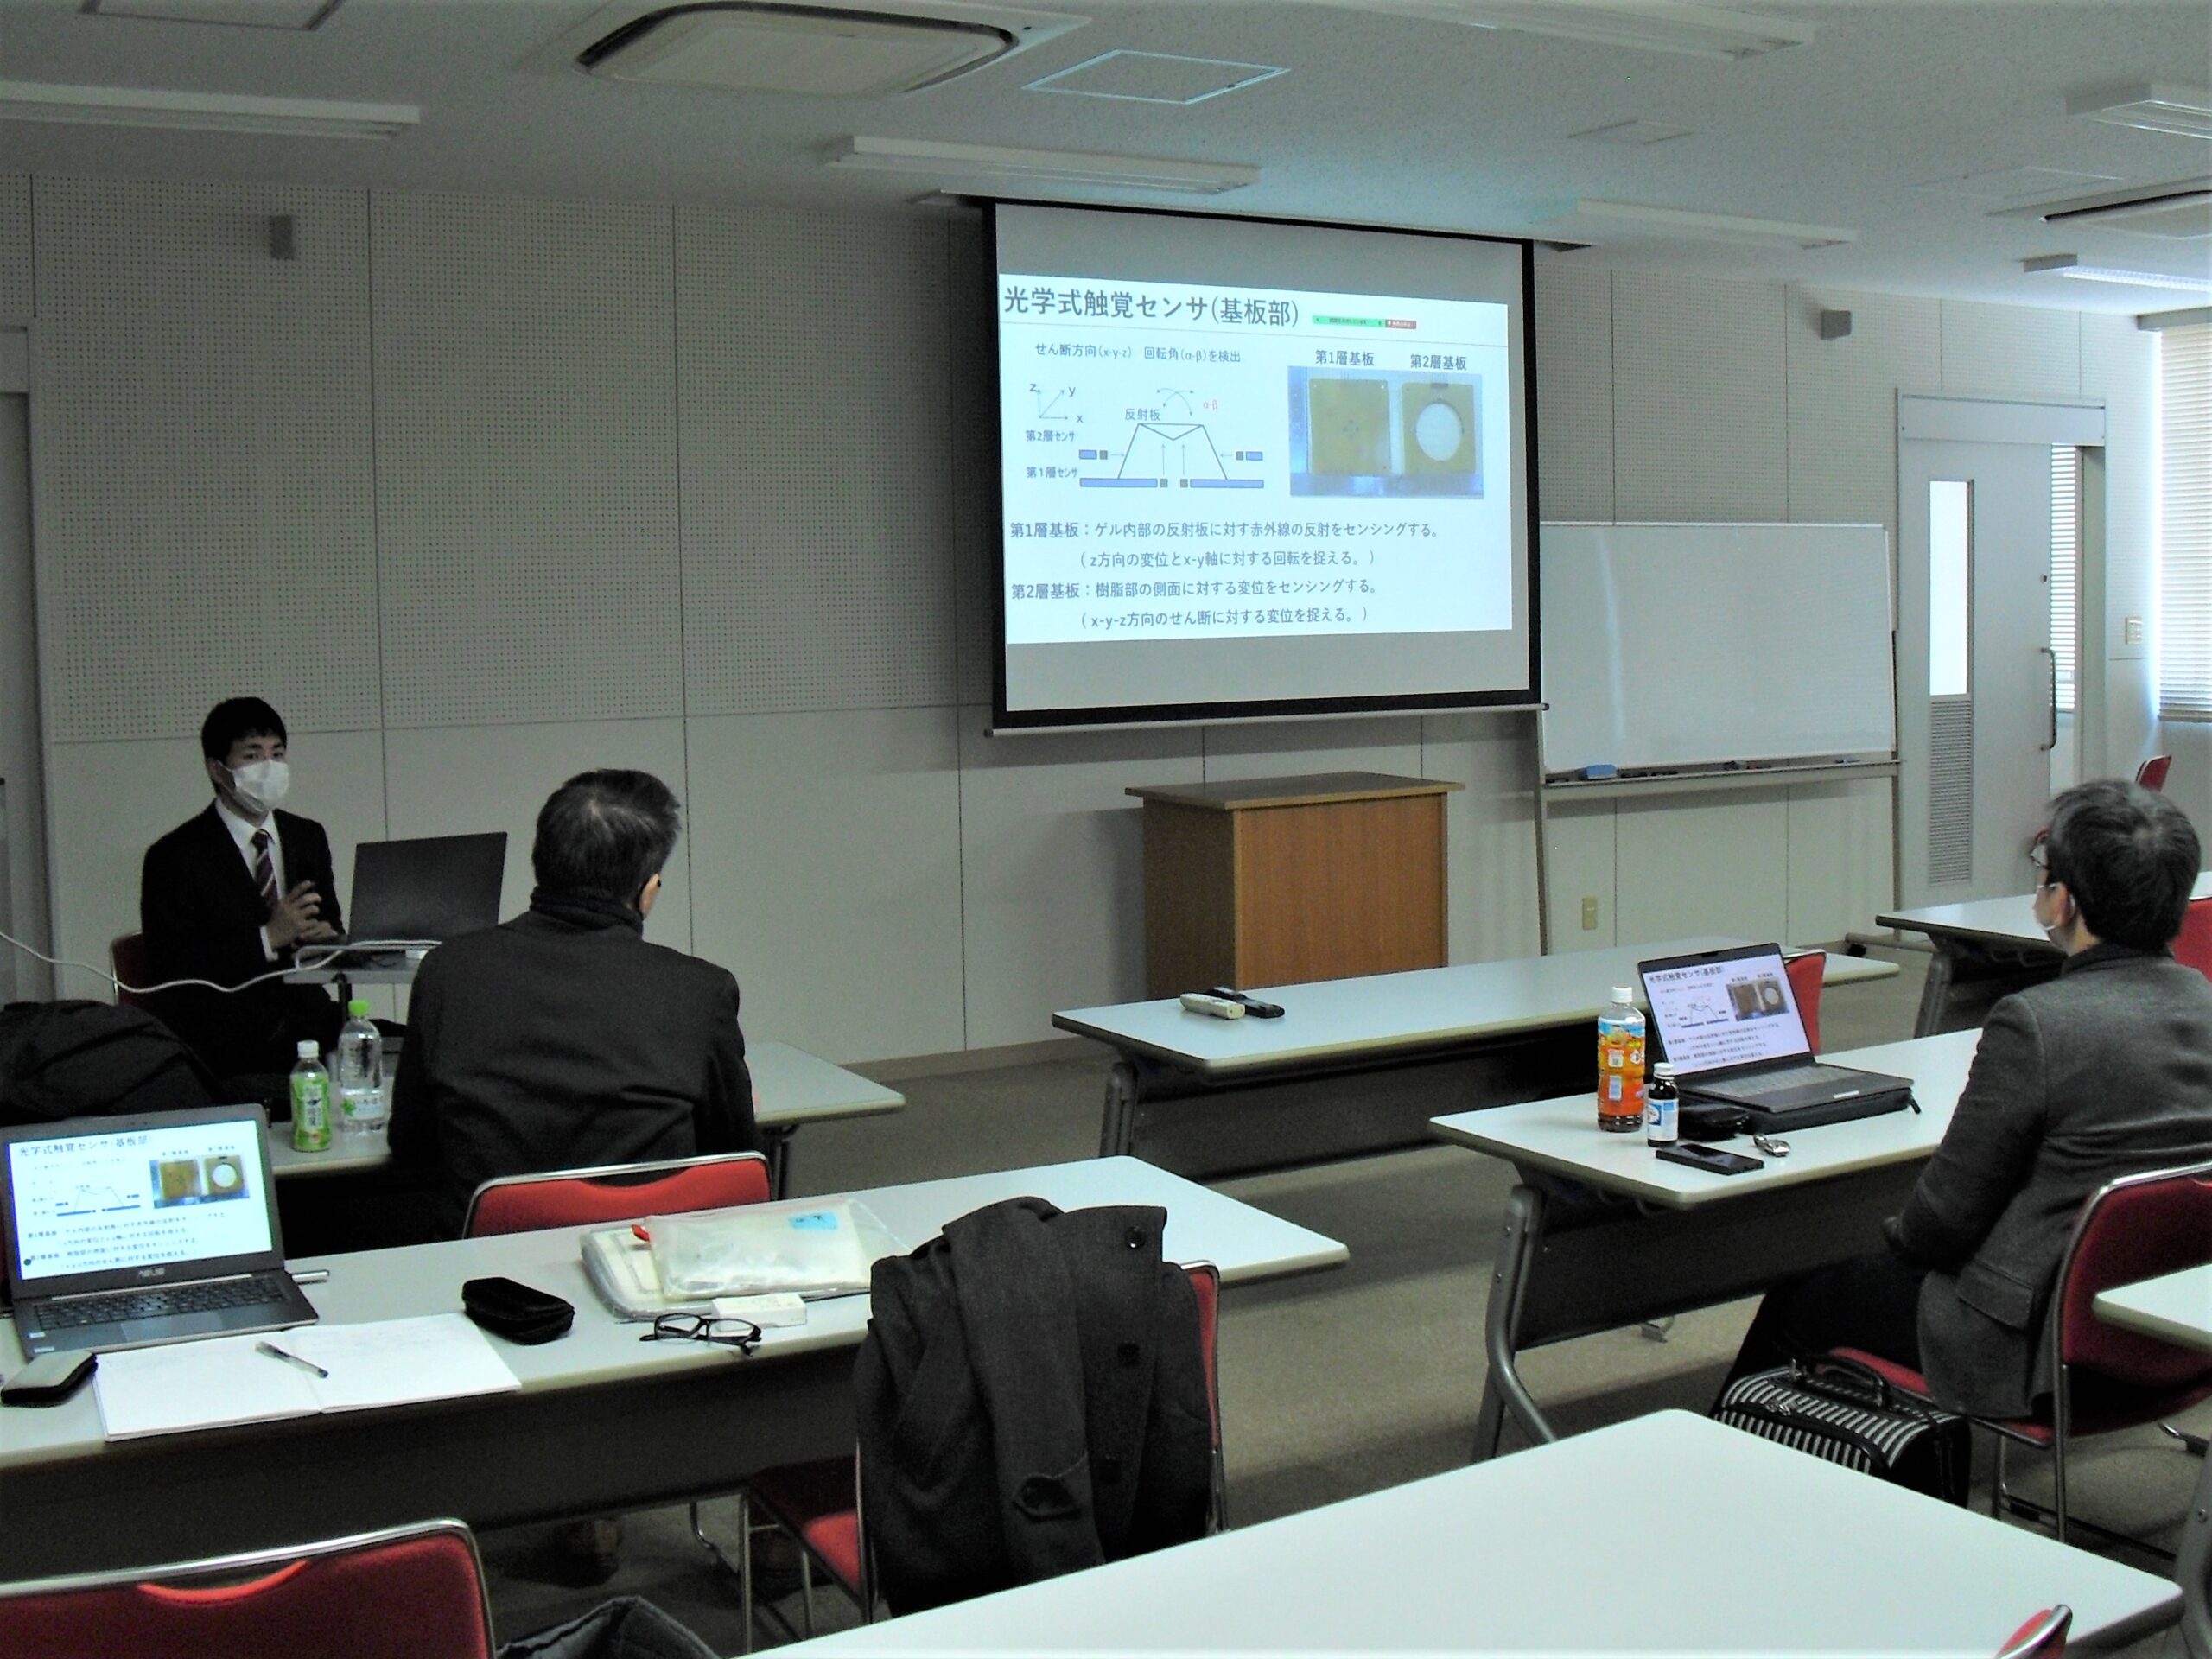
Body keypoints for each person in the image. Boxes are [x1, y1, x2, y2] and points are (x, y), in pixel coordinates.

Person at [1725, 779, 2212, 1419]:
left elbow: (1942, 1222)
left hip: (2034, 1341)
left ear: (2063, 901)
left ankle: (1735, 1453)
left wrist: (1888, 1240)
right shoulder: (2205, 1001)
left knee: (1805, 1292)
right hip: (2161, 1327)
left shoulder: (2037, 1023)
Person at [388, 768, 762, 1240]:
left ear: (539, 859)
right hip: (644, 1259)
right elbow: (734, 1156)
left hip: (488, 1266)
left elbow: (412, 1143)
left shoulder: (448, 971)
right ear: (647, 892)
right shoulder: (701, 989)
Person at [140, 697, 346, 1090]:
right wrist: (267, 938)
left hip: (308, 1020)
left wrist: (327, 941)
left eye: (277, 754)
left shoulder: (306, 835)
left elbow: (330, 921)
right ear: (217, 769)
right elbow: (171, 970)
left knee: (401, 1048)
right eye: (252, 755)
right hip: (226, 1036)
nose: (269, 767)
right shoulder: (174, 856)